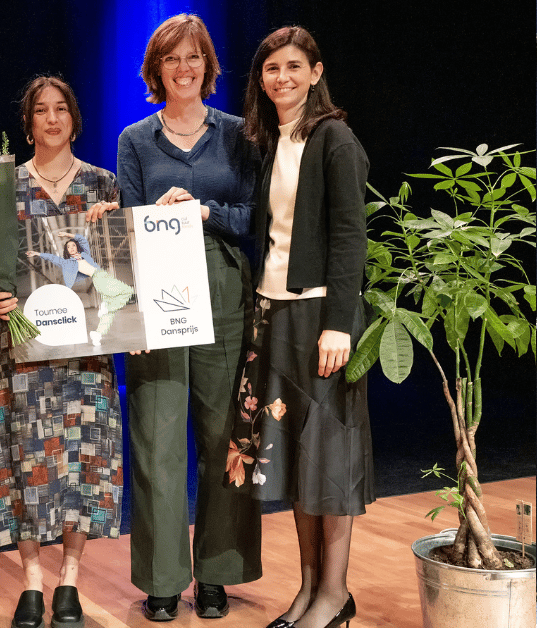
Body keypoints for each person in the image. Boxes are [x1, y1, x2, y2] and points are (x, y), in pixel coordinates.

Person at [115, 13, 262, 622]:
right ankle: (162, 579)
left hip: (224, 293)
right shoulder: (134, 140)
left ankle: (217, 574)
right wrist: (158, 212)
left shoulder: (238, 134)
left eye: (193, 58)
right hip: (156, 299)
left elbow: (252, 215)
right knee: (155, 441)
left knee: (223, 438)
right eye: (171, 60)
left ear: (208, 66)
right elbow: (123, 229)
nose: (183, 69)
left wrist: (202, 210)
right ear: (156, 70)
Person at [227, 25, 371, 628]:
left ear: (315, 73)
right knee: (292, 458)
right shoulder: (277, 141)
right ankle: (310, 588)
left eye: (292, 67)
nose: (280, 78)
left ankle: (335, 594)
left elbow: (349, 238)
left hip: (320, 317)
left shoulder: (334, 138)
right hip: (273, 312)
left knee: (329, 457)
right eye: (270, 69)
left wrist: (339, 324)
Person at [0, 75, 123, 628]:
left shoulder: (102, 183)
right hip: (25, 345)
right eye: (40, 110)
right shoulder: (3, 188)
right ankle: (32, 584)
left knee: (83, 461)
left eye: (61, 108)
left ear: (74, 118)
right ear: (28, 121)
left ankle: (70, 580)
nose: (51, 119)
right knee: (27, 460)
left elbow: (119, 268)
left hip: (87, 352)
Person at [26, 231, 136, 344]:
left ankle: (98, 334)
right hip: (99, 278)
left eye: (73, 245)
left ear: (77, 247)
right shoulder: (67, 263)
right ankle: (107, 307)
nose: (71, 248)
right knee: (128, 291)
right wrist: (37, 254)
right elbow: (52, 258)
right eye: (68, 247)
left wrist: (68, 235)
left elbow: (82, 239)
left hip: (102, 276)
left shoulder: (85, 253)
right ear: (67, 250)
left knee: (109, 314)